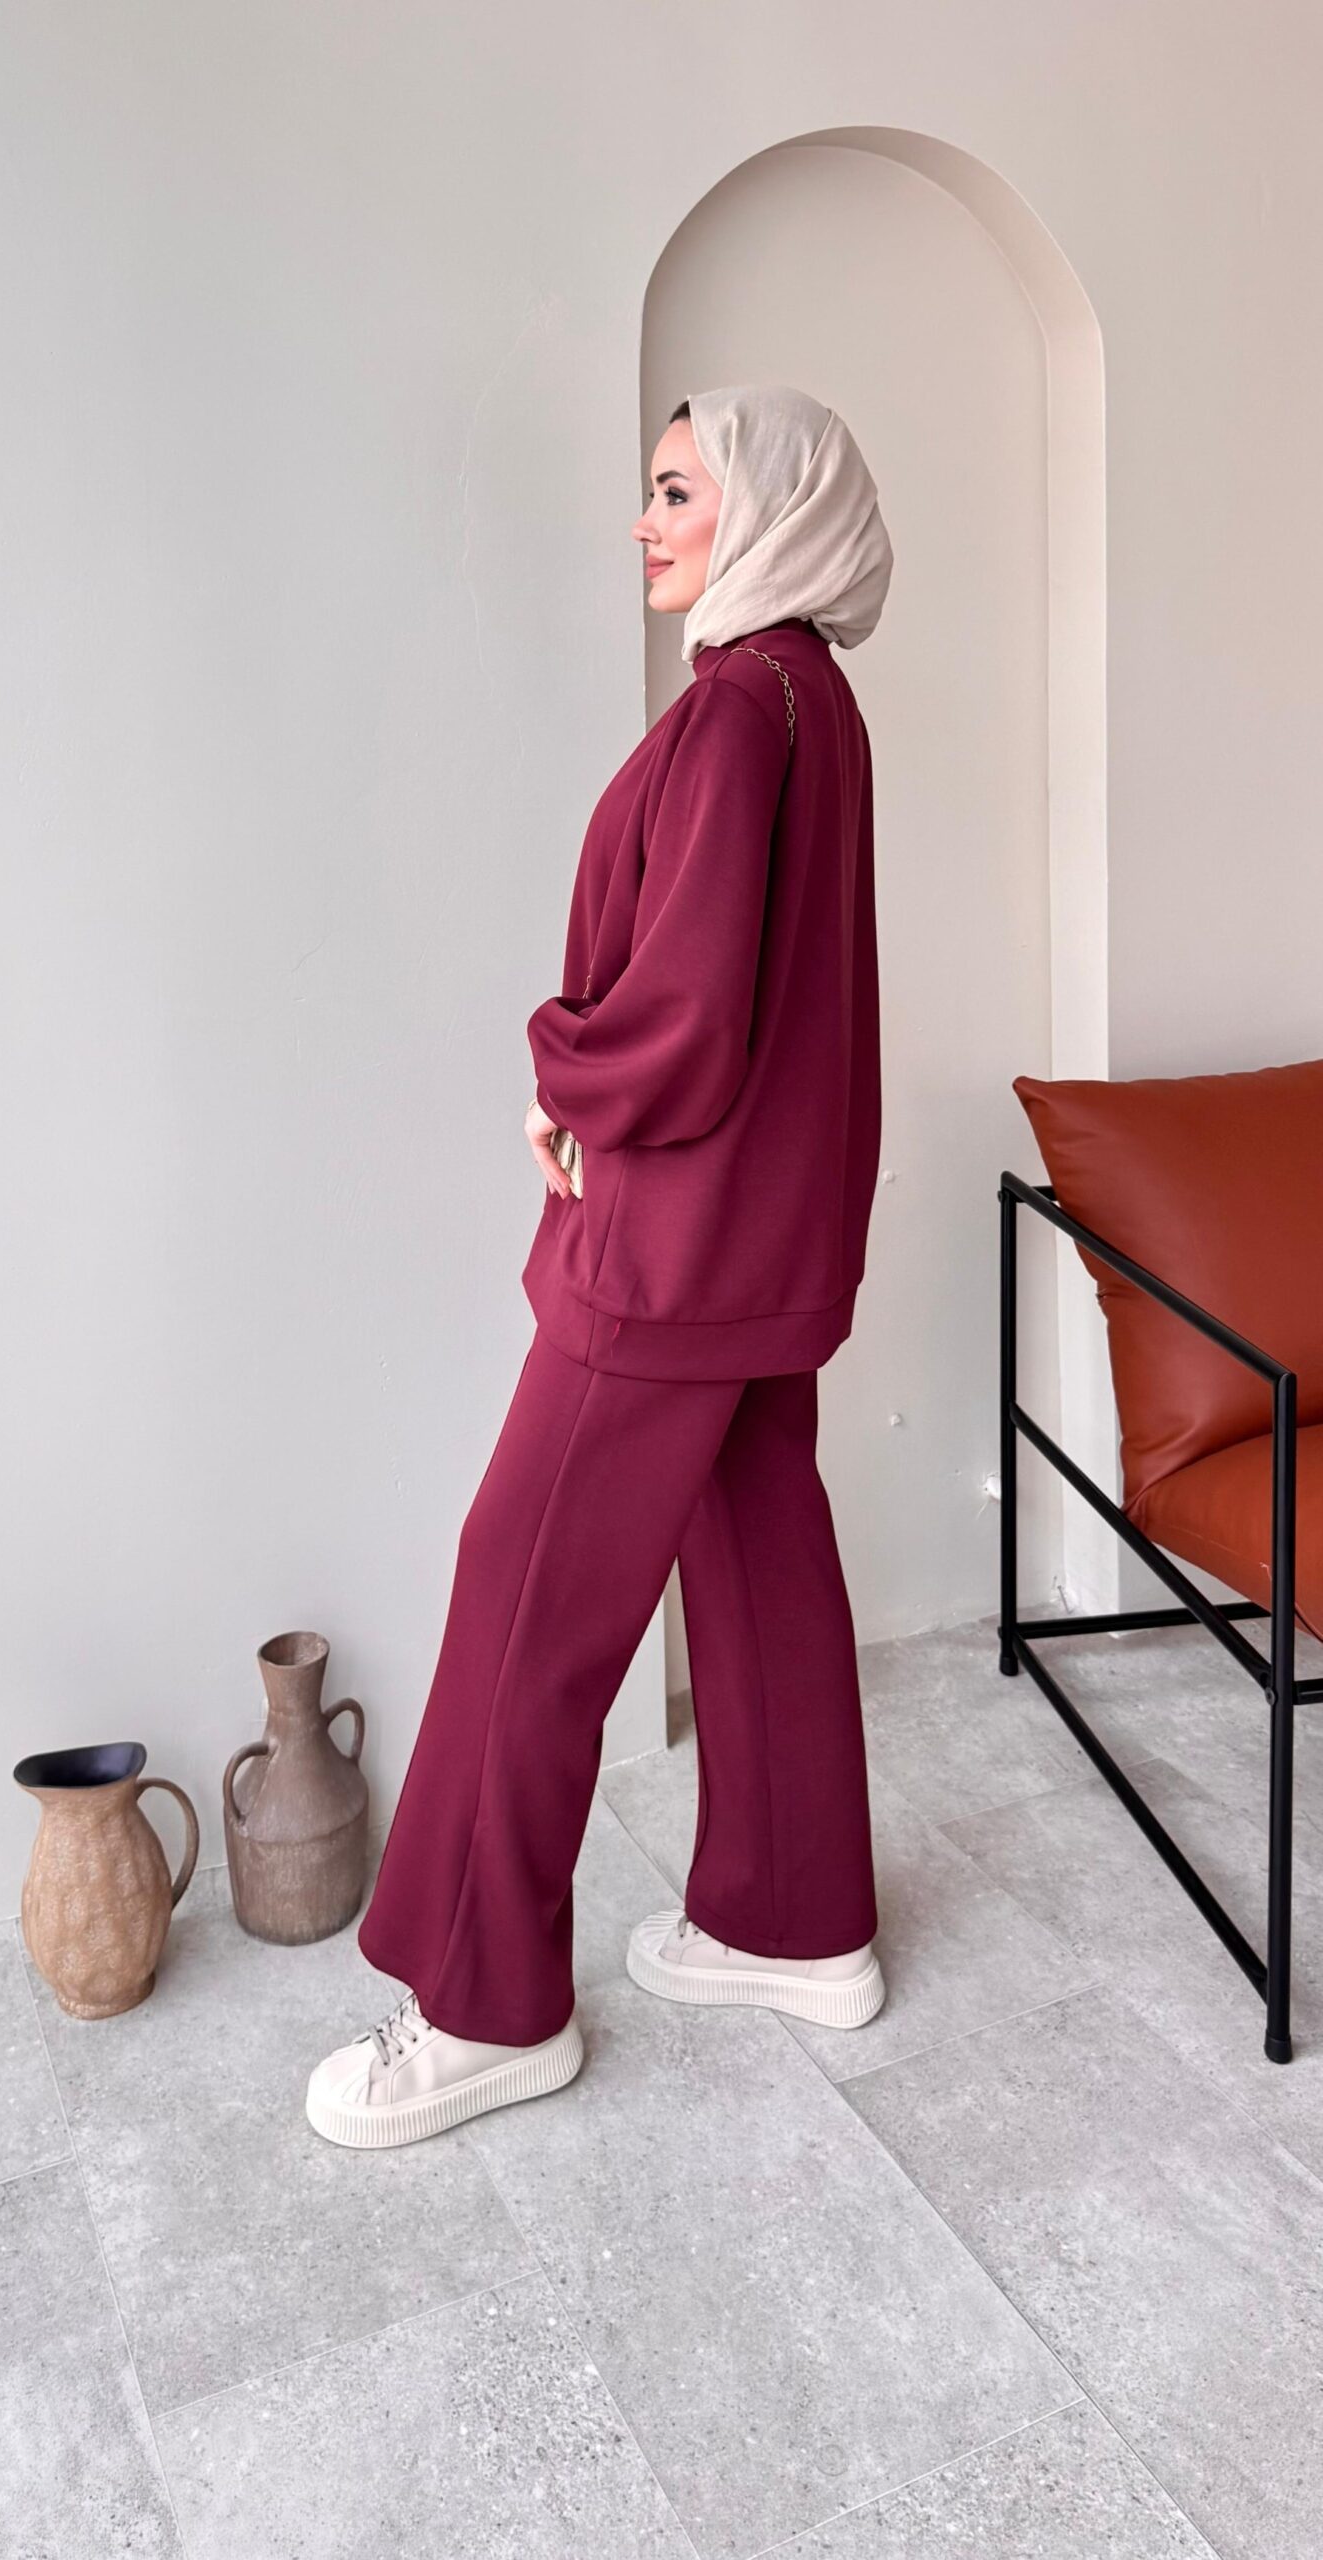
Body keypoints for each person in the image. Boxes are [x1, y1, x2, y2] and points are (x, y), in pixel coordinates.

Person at [306, 383, 895, 2150]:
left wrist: (564, 1071)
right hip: (765, 1234)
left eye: (678, 493)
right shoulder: (814, 698)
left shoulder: (732, 712)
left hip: (672, 1244)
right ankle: (795, 1924)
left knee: (522, 1581)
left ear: (767, 510)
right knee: (759, 1542)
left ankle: (485, 2008)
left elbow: (686, 1018)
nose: (647, 522)